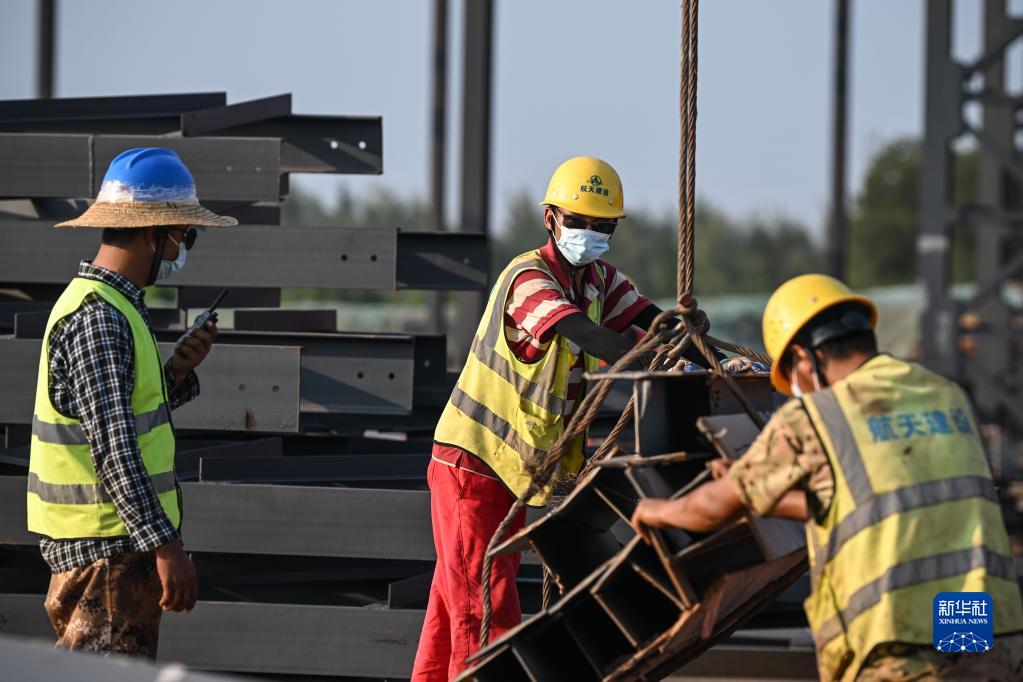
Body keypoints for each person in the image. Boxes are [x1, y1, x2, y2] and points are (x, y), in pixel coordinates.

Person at [631, 274, 1023, 681]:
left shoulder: (818, 416)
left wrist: (657, 510)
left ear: (804, 357)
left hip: (901, 642)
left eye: (791, 374)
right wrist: (764, 490)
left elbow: (714, 510)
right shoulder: (944, 395)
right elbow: (868, 500)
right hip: (977, 626)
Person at [412, 156, 715, 680]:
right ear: (550, 218)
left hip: (512, 471)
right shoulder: (528, 278)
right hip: (474, 466)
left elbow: (647, 318)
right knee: (485, 614)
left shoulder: (599, 281)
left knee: (452, 606)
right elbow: (587, 335)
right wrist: (645, 354)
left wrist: (689, 333)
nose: (590, 234)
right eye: (579, 222)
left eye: (602, 226)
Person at [27, 147, 238, 658]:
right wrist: (167, 546)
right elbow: (115, 450)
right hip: (107, 556)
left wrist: (175, 373)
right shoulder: (101, 317)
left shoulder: (113, 306)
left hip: (112, 551)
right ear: (153, 233)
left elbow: (115, 416)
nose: (181, 252)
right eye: (183, 237)